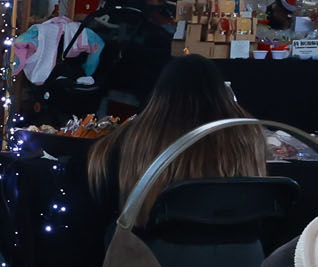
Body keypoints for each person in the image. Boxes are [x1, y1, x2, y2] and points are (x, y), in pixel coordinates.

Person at [86, 54, 265, 216]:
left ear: (159, 94)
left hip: (151, 240)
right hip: (239, 240)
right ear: (222, 93)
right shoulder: (248, 133)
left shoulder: (128, 139)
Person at [85, 0, 175, 108]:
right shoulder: (132, 6)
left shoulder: (170, 9)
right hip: (128, 65)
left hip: (156, 68)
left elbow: (169, 29)